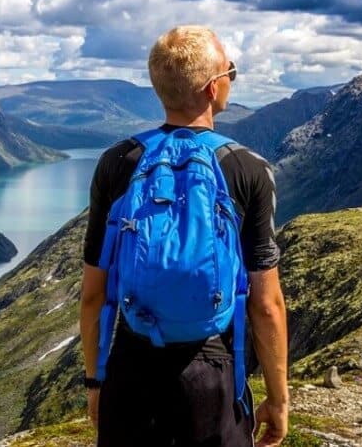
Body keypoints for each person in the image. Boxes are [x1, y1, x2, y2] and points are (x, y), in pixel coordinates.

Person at [80, 25, 289, 447]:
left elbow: (94, 295)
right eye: (231, 70)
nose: (232, 77)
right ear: (214, 88)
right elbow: (266, 305)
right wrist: (278, 400)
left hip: (132, 365)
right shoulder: (248, 168)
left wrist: (96, 380)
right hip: (212, 372)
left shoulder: (118, 162)